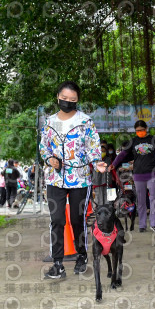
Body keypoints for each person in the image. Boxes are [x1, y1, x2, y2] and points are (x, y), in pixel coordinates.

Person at [40, 81, 106, 279]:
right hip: (55, 179)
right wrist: (49, 159)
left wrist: (97, 162)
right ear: (57, 97)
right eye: (64, 98)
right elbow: (44, 147)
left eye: (72, 99)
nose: (68, 102)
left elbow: (93, 146)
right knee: (57, 220)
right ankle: (57, 264)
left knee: (77, 220)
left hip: (80, 178)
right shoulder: (49, 122)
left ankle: (81, 256)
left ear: (77, 100)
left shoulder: (85, 121)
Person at [108, 120, 155, 232]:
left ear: (146, 129)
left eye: (142, 130)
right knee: (141, 201)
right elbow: (123, 154)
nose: (140, 132)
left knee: (153, 199)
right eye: (137, 131)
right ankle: (142, 225)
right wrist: (114, 164)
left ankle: (154, 224)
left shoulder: (153, 140)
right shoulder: (133, 141)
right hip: (138, 174)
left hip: (152, 173)